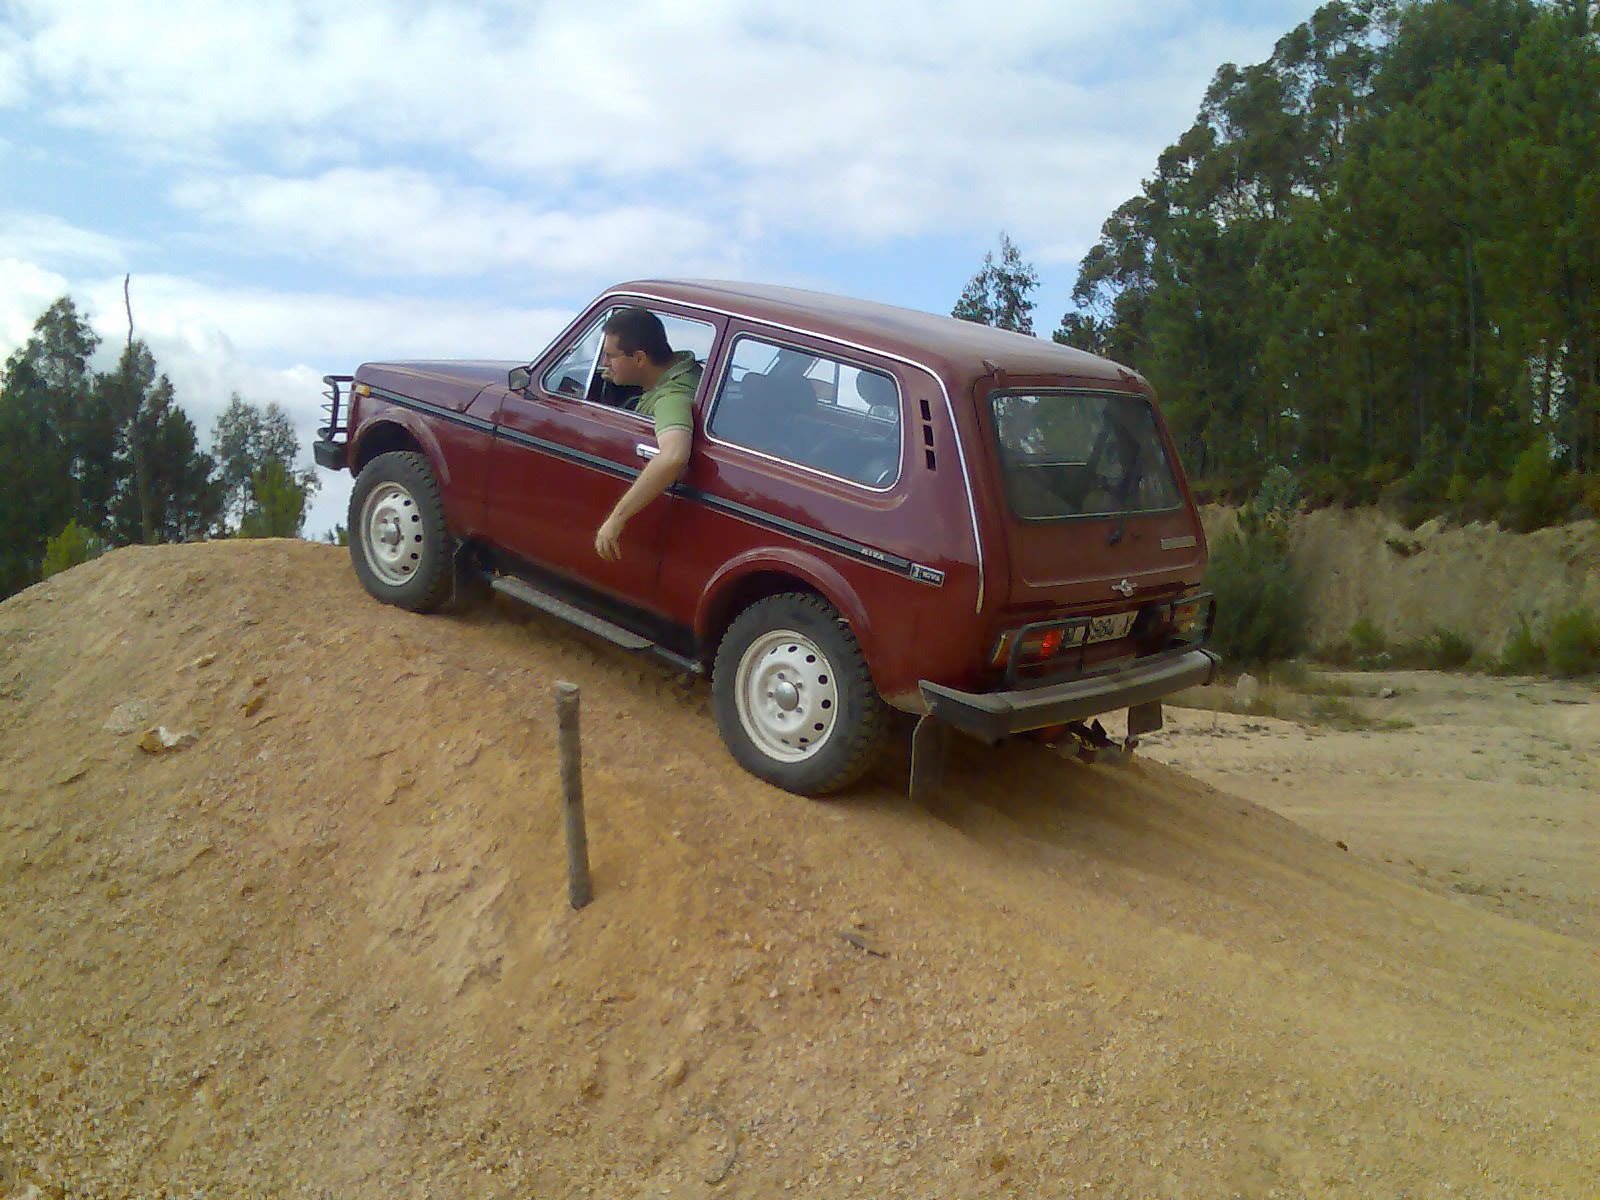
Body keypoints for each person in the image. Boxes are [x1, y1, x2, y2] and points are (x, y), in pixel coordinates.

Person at [593, 307, 702, 562]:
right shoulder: (687, 369)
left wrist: (615, 520)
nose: (603, 363)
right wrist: (617, 373)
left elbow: (674, 456)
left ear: (640, 358)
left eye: (610, 356)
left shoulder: (671, 398)